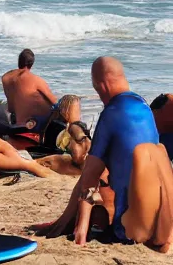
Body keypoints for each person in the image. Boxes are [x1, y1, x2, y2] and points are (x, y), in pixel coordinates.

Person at [36, 57, 173, 251]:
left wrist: (81, 227)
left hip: (133, 230)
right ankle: (162, 236)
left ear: (103, 84)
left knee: (97, 173)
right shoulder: (143, 107)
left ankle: (68, 223)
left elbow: (89, 179)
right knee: (156, 151)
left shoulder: (111, 113)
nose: (98, 94)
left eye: (96, 88)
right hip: (165, 223)